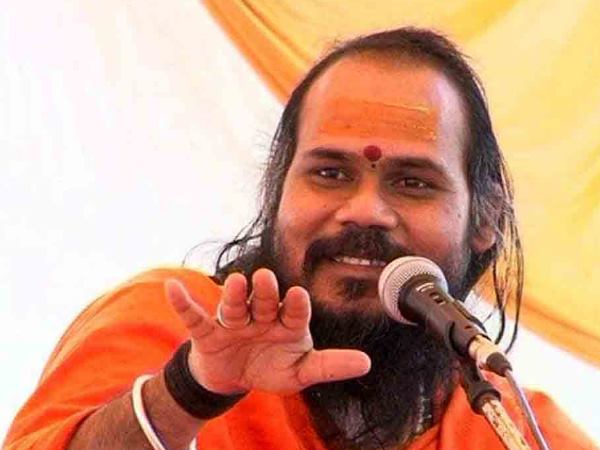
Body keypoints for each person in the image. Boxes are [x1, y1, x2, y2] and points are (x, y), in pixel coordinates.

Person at [4, 27, 596, 450]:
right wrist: (189, 393)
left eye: (413, 182)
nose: (365, 211)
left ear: (485, 220)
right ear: (278, 193)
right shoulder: (177, 325)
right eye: (330, 173)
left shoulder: (512, 426)